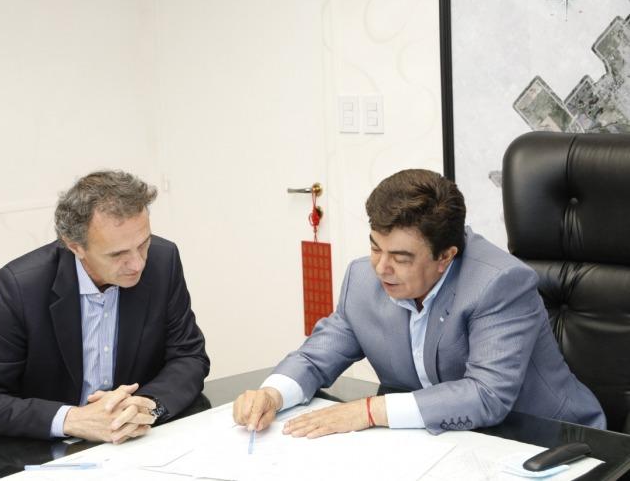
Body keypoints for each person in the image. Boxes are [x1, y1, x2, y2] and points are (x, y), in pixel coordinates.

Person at [234, 169, 605, 438]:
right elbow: (317, 357)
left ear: (445, 256)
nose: (381, 268)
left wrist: (369, 411)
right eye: (375, 247)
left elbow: (486, 395)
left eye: (401, 258)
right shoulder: (362, 278)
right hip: (438, 442)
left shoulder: (500, 284)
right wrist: (273, 393)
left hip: (543, 439)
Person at [0, 170, 210, 443]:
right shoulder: (22, 286)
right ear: (75, 247)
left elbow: (189, 357)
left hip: (134, 443)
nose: (138, 264)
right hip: (52, 449)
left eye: (143, 244)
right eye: (118, 254)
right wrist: (74, 419)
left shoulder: (163, 260)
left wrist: (147, 405)